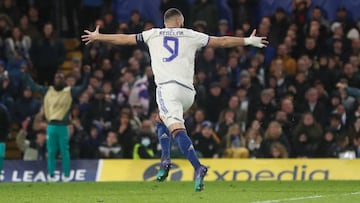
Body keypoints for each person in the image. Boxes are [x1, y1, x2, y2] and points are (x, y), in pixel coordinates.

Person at [82, 8, 267, 191]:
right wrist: (248, 40)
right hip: (188, 93)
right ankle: (165, 160)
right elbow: (223, 42)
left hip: (167, 88)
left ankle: (197, 167)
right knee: (161, 118)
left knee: (176, 129)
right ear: (179, 21)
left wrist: (100, 37)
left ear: (166, 22)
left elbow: (124, 39)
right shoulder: (191, 34)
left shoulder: (152, 34)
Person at [22, 65, 90, 181]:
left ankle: (67, 175)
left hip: (63, 126)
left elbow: (83, 87)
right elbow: (33, 86)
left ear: (64, 80)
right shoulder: (48, 90)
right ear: (54, 80)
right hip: (51, 126)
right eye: (57, 78)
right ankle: (51, 174)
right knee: (51, 151)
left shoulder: (69, 91)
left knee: (64, 151)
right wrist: (26, 74)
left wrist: (87, 75)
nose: (59, 79)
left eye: (61, 78)